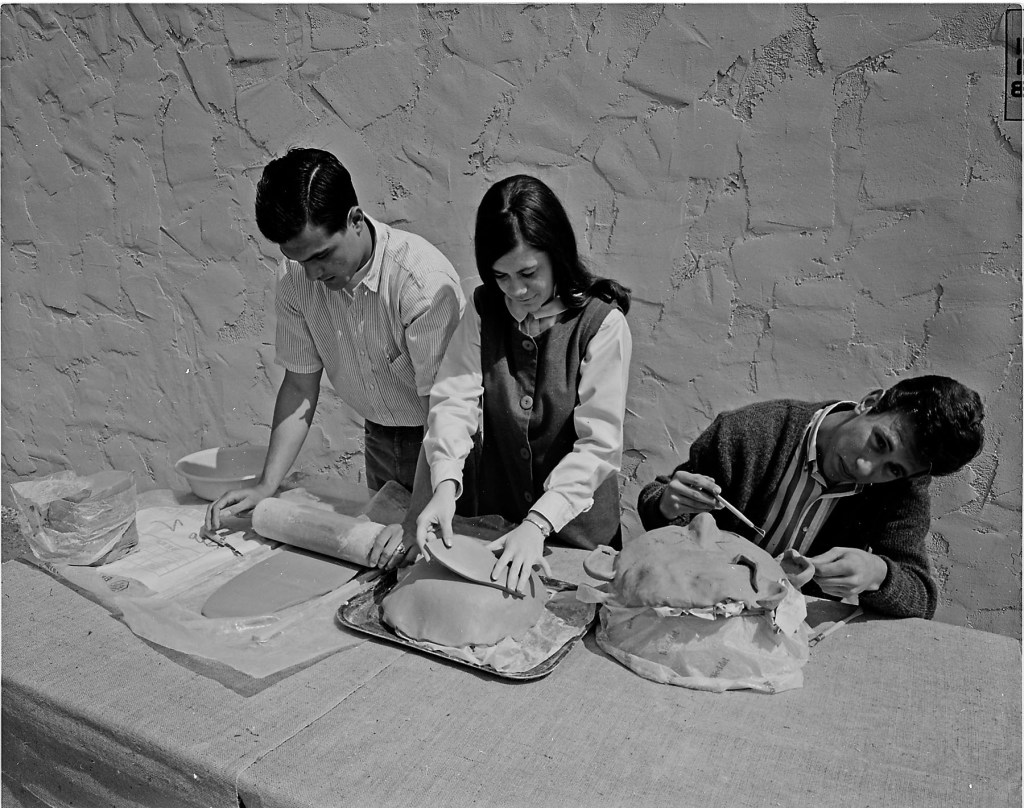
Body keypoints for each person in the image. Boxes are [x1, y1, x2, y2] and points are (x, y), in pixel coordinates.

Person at [205, 147, 465, 570]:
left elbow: (442, 416)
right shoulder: (297, 280)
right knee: (381, 561)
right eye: (298, 260)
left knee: (445, 559)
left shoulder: (419, 282)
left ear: (355, 220)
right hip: (380, 438)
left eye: (322, 256)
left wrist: (416, 516)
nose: (313, 274)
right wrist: (267, 485)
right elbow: (299, 385)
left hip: (447, 448)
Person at [414, 175, 633, 595]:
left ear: (557, 253)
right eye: (501, 276)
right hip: (500, 527)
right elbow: (455, 400)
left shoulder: (602, 325)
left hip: (576, 541)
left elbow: (598, 445)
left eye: (528, 273)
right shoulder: (484, 310)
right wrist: (444, 486)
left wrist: (538, 524)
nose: (516, 290)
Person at [636, 375, 985, 619]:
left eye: (892, 468)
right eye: (879, 442)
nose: (865, 467)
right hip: (700, 605)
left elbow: (921, 596)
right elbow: (658, 502)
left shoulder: (901, 489)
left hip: (793, 632)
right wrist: (669, 504)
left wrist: (878, 574)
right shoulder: (750, 432)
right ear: (870, 402)